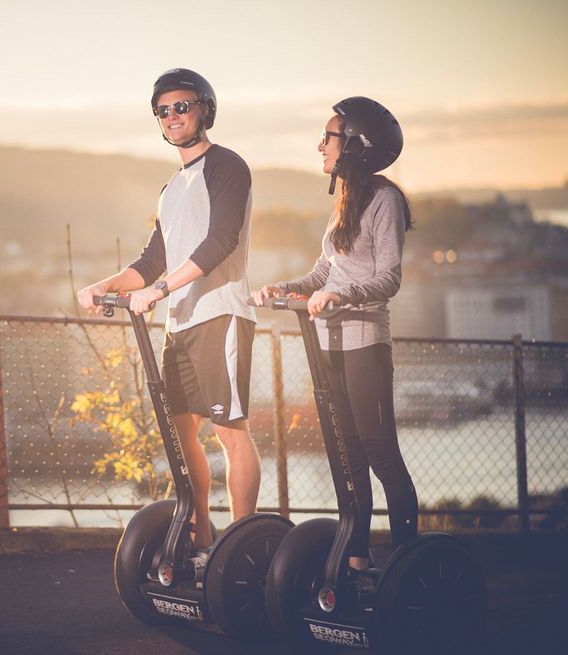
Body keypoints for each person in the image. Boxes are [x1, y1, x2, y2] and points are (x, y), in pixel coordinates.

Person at [77, 68, 261, 565]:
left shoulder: (227, 167)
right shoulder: (171, 186)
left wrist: (158, 290)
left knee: (230, 432)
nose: (173, 116)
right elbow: (152, 259)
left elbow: (221, 241)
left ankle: (241, 548)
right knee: (180, 437)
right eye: (164, 111)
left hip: (221, 314)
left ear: (204, 109)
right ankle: (202, 539)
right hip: (179, 324)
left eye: (182, 106)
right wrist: (106, 286)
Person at [250, 96, 418, 598]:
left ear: (357, 146)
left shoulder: (385, 201)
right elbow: (325, 271)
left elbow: (388, 278)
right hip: (329, 343)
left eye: (330, 136)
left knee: (379, 451)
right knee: (346, 454)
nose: (321, 144)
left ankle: (409, 560)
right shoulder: (343, 196)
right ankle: (358, 554)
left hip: (366, 342)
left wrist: (341, 294)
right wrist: (287, 288)